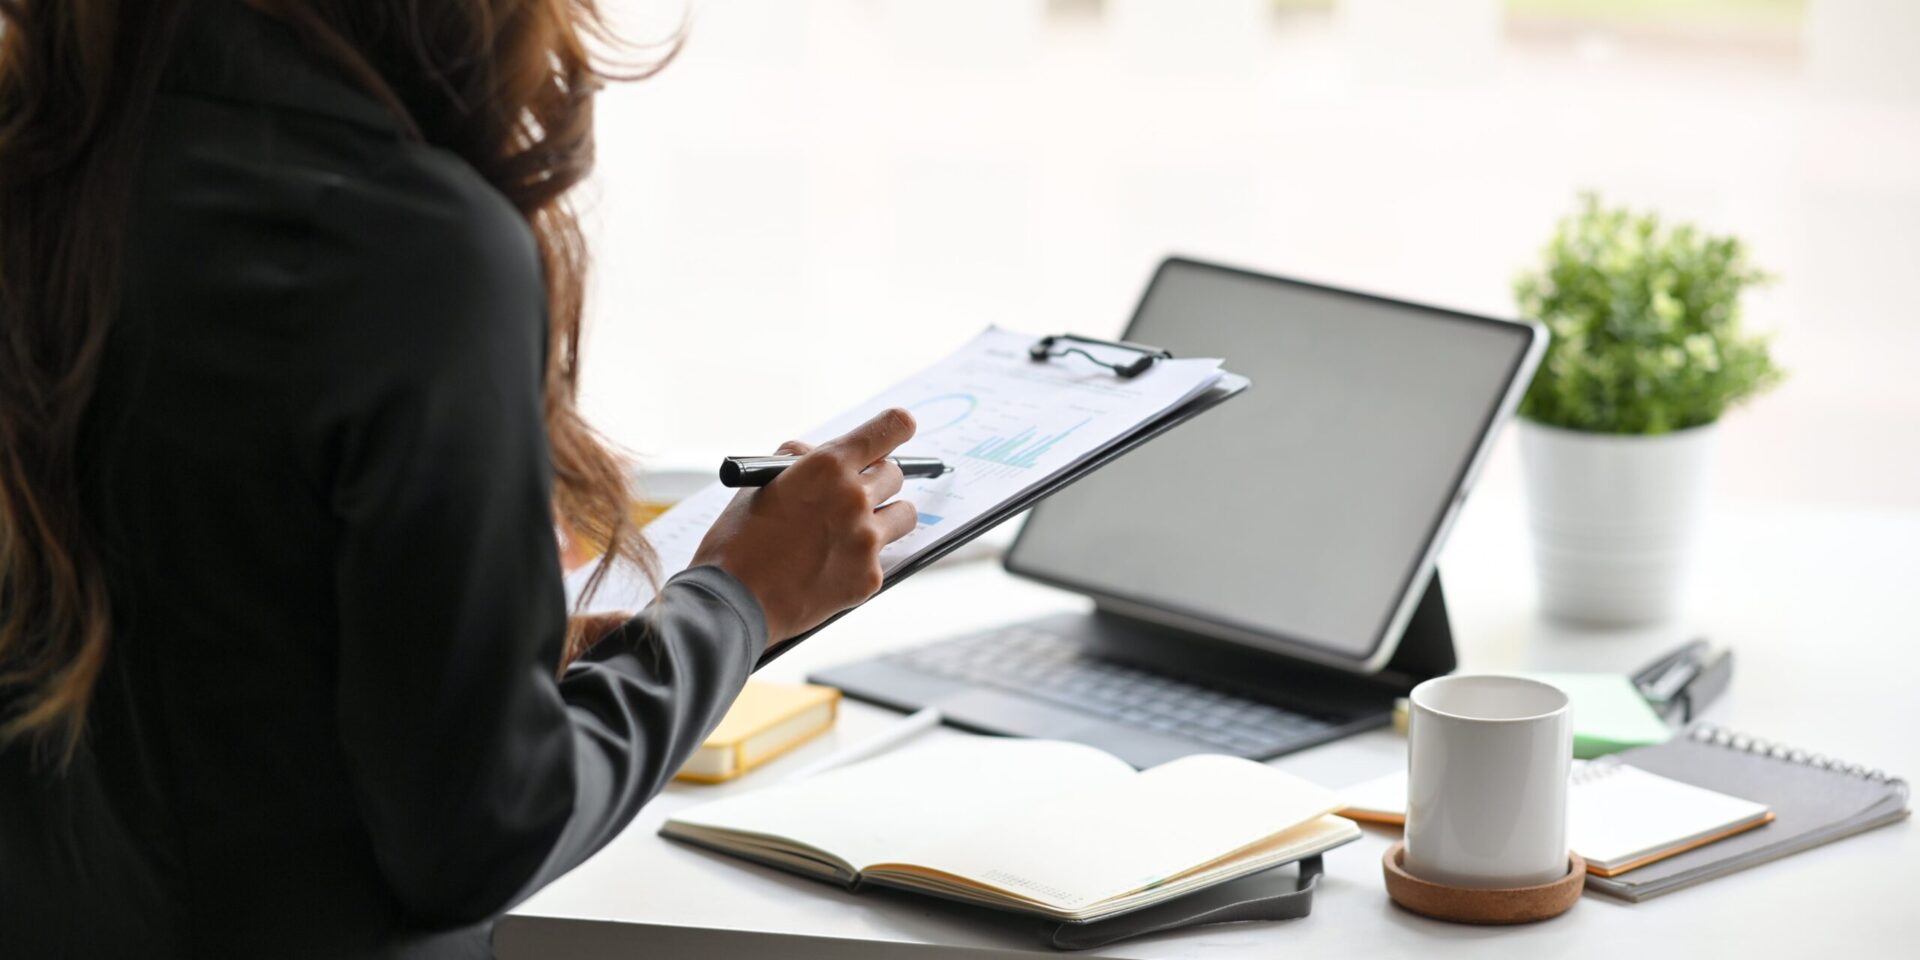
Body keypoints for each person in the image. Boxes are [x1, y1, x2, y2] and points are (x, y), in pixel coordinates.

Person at [0, 1, 918, 955]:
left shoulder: (61, 173)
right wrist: (738, 599)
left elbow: (194, 649)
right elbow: (485, 832)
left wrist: (481, 670)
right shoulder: (403, 242)